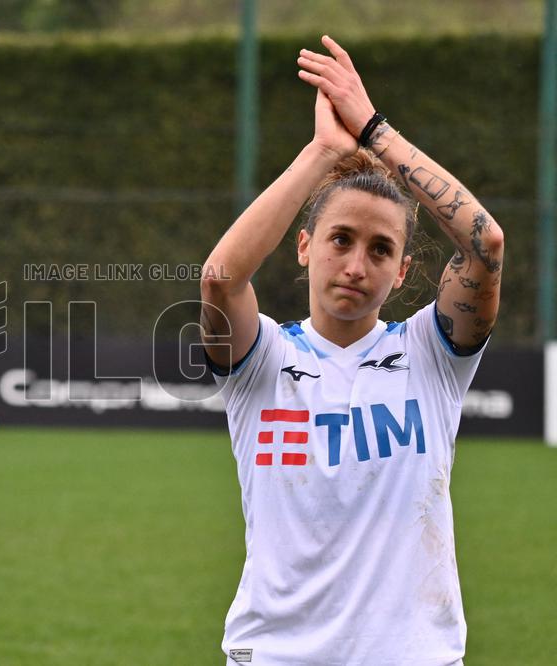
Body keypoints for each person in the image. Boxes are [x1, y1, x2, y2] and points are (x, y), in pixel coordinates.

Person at [200, 35, 503, 665]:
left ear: (401, 271)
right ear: (305, 245)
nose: (356, 265)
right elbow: (220, 278)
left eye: (380, 249)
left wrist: (373, 130)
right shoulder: (262, 361)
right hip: (276, 655)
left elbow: (485, 244)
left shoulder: (432, 355)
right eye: (340, 239)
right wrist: (323, 153)